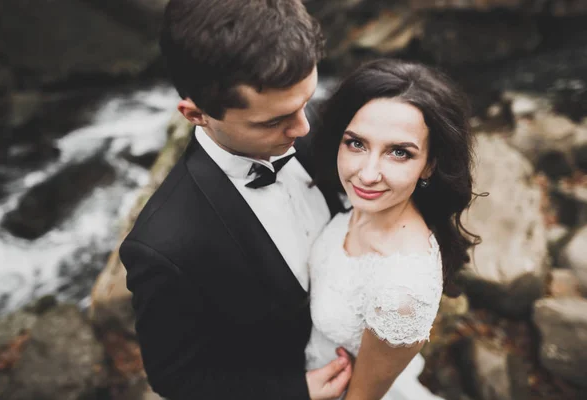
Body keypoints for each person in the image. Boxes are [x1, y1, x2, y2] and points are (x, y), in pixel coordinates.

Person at [119, 0, 351, 399]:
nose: (304, 125)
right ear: (195, 115)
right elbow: (176, 378)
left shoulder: (309, 122)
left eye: (306, 99)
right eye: (273, 122)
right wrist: (294, 392)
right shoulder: (164, 247)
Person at [306, 59, 480, 399]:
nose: (368, 174)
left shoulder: (403, 293)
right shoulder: (361, 204)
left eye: (399, 153)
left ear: (430, 165)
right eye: (356, 143)